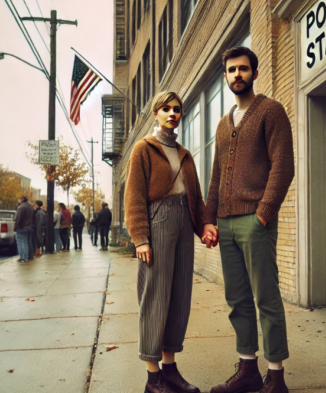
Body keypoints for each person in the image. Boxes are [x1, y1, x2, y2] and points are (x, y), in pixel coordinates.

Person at [203, 47, 295, 393]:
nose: (237, 75)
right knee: (237, 299)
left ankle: (276, 375)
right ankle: (248, 370)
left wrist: (263, 215)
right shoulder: (224, 124)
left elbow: (282, 167)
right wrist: (208, 220)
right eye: (231, 70)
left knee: (266, 298)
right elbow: (215, 177)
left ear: (254, 74)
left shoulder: (270, 111)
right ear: (226, 77)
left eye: (243, 69)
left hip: (254, 222)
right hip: (225, 224)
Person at [125, 91, 218, 393]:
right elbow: (134, 197)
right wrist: (140, 238)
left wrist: (204, 224)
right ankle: (153, 380)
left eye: (176, 109)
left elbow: (197, 198)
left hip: (183, 222)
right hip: (158, 222)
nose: (172, 113)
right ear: (156, 113)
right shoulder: (144, 149)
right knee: (155, 297)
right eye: (165, 109)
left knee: (179, 297)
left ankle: (170, 370)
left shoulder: (185, 155)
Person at [14, 195, 35, 263]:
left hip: (22, 227)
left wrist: (16, 227)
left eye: (19, 199)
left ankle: (23, 257)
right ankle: (28, 256)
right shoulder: (31, 206)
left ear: (22, 200)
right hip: (29, 227)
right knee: (27, 242)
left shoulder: (21, 207)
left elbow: (18, 218)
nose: (18, 201)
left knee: (21, 242)